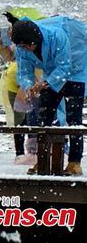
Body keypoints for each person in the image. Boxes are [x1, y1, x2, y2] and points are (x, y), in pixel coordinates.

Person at [11, 15, 87, 176]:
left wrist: (46, 83)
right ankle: (43, 158)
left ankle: (74, 162)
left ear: (34, 40)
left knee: (74, 120)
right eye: (21, 46)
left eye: (27, 45)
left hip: (75, 69)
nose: (24, 49)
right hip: (51, 74)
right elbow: (24, 71)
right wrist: (29, 86)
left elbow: (65, 66)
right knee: (44, 119)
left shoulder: (57, 36)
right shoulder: (22, 48)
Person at [0, 8, 46, 163]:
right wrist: (1, 46)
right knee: (19, 119)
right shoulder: (16, 39)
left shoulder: (35, 39)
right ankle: (19, 153)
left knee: (34, 117)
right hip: (12, 82)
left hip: (33, 82)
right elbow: (9, 58)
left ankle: (35, 153)